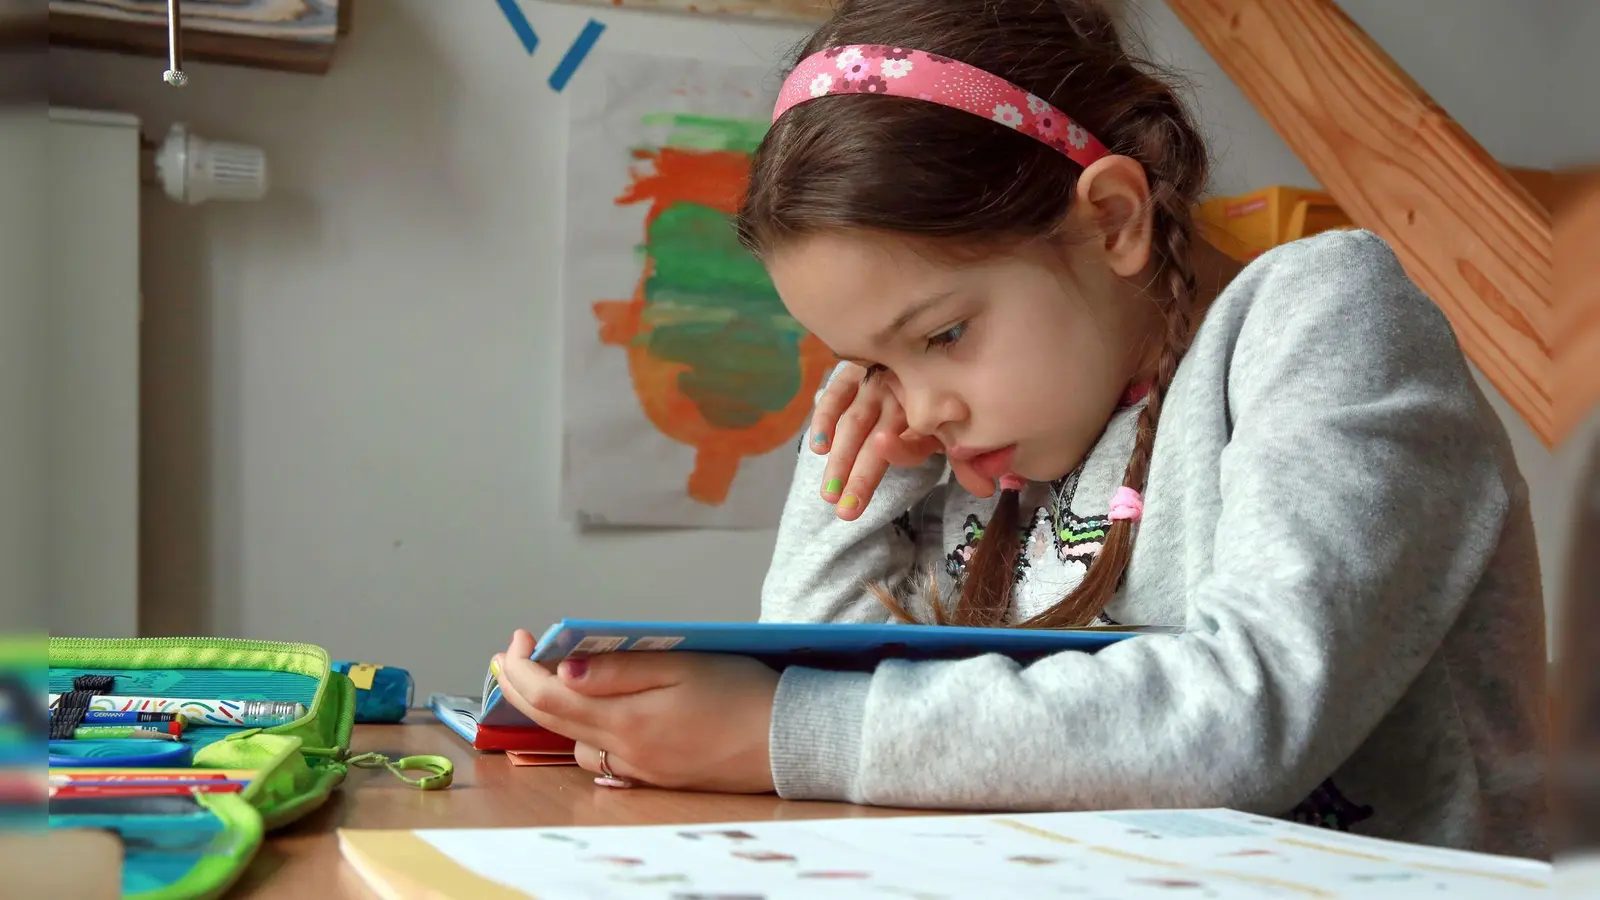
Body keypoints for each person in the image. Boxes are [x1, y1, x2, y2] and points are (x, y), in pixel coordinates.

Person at [491, 0, 1549, 858]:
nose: (916, 407)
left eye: (943, 333)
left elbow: (1246, 716)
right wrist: (846, 485)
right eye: (870, 363)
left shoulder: (1319, 315)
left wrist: (774, 735)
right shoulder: (1005, 440)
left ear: (1112, 222)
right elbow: (834, 678)